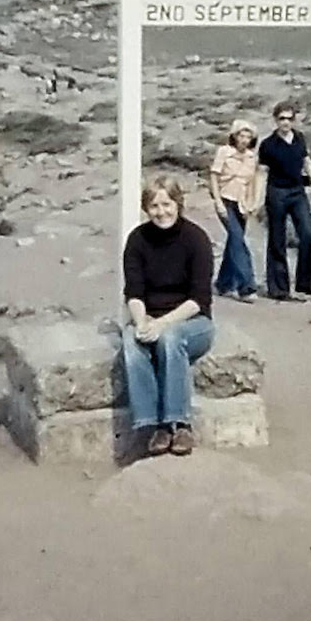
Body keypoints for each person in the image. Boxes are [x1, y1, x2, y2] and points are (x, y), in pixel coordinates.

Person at [121, 176, 215, 457]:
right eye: (154, 205)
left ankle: (179, 423)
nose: (161, 212)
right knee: (130, 340)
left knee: (170, 339)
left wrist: (161, 324)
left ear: (178, 203)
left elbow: (199, 300)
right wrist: (141, 323)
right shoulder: (137, 240)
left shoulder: (196, 239)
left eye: (166, 204)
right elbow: (134, 292)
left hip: (193, 322)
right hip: (150, 317)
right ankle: (152, 426)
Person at [256, 101, 311, 301]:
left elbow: (307, 163)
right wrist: (256, 200)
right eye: (282, 119)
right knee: (277, 240)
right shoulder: (268, 145)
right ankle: (278, 288)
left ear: (294, 120)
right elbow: (262, 173)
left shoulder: (299, 139)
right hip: (277, 193)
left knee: (308, 235)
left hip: (298, 192)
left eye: (289, 119)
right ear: (275, 120)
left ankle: (305, 283)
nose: (286, 122)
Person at [209, 118, 259, 303]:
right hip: (225, 199)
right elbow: (214, 176)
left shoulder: (252, 157)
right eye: (241, 135)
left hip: (241, 204)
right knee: (238, 241)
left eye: (248, 136)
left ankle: (223, 283)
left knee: (233, 242)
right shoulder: (224, 152)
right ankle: (247, 287)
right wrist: (217, 201)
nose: (244, 140)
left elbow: (252, 180)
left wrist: (252, 203)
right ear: (234, 136)